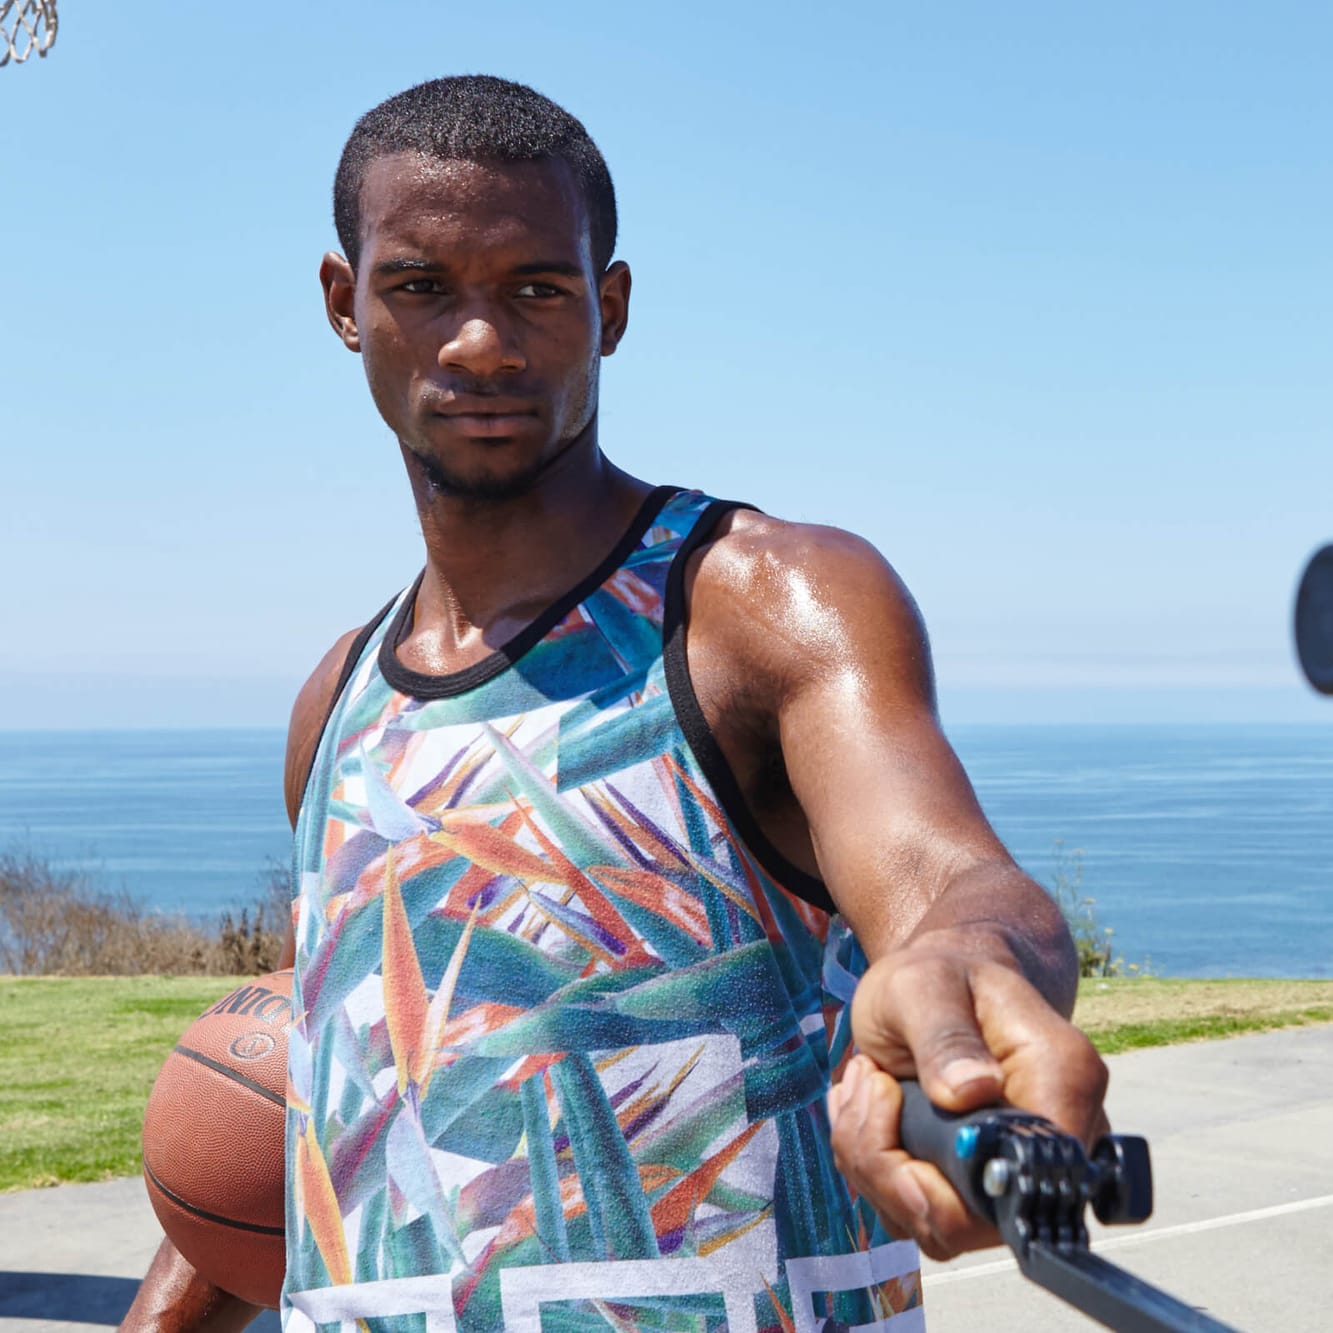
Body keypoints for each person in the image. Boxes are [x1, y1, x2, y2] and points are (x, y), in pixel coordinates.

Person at [120, 74, 1107, 1333]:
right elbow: (343, 1081)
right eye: (421, 285)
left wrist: (969, 973)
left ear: (611, 306)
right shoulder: (337, 703)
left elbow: (945, 879)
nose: (480, 342)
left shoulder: (756, 604)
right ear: (343, 304)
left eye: (537, 286)